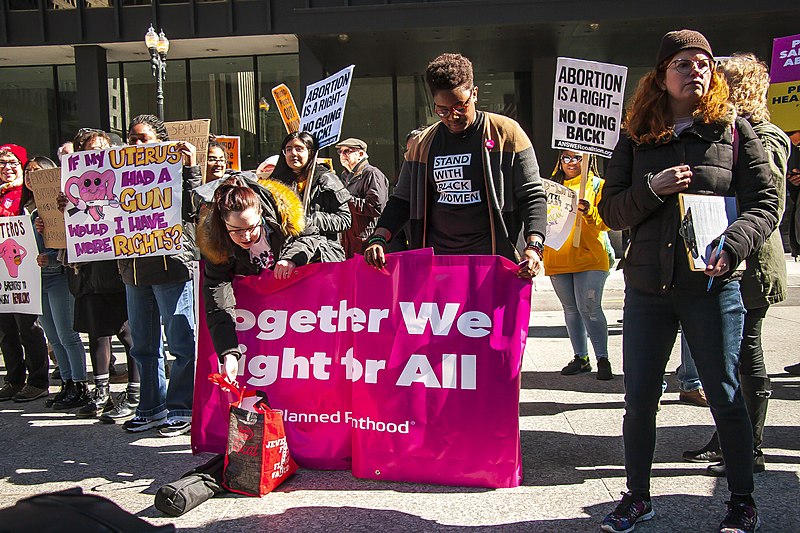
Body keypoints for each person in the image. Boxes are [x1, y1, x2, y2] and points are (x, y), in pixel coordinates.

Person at [597, 30, 777, 533]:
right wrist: (651, 190)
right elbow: (610, 210)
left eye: (703, 62)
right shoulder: (635, 137)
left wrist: (734, 243)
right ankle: (637, 497)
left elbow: (766, 204)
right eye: (682, 63)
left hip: (712, 290)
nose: (695, 69)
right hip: (648, 290)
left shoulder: (735, 131)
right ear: (661, 77)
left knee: (723, 392)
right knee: (639, 400)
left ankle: (741, 501)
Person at [681, 53, 790, 479]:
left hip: (751, 263)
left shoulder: (764, 136)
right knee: (724, 354)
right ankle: (729, 436)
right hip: (721, 258)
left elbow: (768, 204)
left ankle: (753, 446)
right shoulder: (722, 132)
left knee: (746, 353)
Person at [363, 53, 547, 278]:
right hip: (439, 264)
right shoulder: (423, 144)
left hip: (493, 263)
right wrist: (379, 236)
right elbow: (402, 200)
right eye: (443, 110)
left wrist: (534, 246)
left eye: (461, 106)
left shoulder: (507, 133)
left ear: (475, 94)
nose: (453, 116)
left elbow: (532, 196)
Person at [118, 114, 201, 437]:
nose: (137, 144)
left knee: (180, 341)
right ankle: (151, 407)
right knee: (143, 345)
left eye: (143, 138)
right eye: (132, 138)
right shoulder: (116, 177)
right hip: (133, 270)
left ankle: (181, 407)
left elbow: (196, 208)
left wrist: (191, 167)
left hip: (171, 267)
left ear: (160, 142)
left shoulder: (177, 172)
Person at [197, 174, 323, 382]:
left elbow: (312, 236)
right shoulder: (216, 244)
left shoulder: (285, 215)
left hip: (301, 306)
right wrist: (228, 352)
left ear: (262, 215)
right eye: (236, 231)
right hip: (262, 316)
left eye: (251, 228)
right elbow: (218, 300)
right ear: (223, 224)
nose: (246, 237)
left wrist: (292, 258)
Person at [53, 128, 141, 422]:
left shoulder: (121, 179)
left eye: (104, 149)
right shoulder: (71, 188)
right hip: (88, 268)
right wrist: (59, 214)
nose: (99, 155)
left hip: (117, 268)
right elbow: (60, 228)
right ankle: (101, 392)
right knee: (96, 331)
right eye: (92, 150)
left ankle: (135, 392)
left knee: (127, 332)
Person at [24, 156, 89, 409]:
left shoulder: (64, 204)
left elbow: (72, 244)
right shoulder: (31, 212)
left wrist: (49, 256)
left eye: (38, 171)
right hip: (40, 279)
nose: (31, 176)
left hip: (59, 276)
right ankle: (67, 382)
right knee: (52, 334)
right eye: (28, 172)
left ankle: (81, 384)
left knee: (66, 334)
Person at [544, 150, 614, 380]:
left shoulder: (598, 186)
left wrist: (591, 213)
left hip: (590, 257)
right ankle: (581, 357)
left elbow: (607, 224)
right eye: (566, 158)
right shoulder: (550, 187)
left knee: (590, 309)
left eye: (577, 158)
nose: (571, 163)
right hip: (558, 258)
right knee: (571, 310)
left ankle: (603, 358)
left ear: (588, 160)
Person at [0, 143, 50, 402]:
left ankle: (38, 379)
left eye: (12, 163)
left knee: (28, 326)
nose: (7, 168)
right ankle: (13, 378)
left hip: (29, 269)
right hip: (3, 273)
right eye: (2, 164)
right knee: (6, 328)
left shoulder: (29, 195)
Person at [271, 131, 351, 262]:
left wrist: (311, 220)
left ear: (311, 152)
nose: (293, 154)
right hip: (286, 255)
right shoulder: (276, 183)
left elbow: (345, 219)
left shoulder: (327, 179)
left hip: (322, 255)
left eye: (299, 149)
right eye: (289, 149)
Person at [335, 137, 389, 258]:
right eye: (340, 152)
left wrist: (346, 199)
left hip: (367, 242)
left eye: (347, 151)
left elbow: (376, 207)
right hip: (349, 243)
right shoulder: (345, 175)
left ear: (360, 154)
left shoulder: (372, 173)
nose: (342, 155)